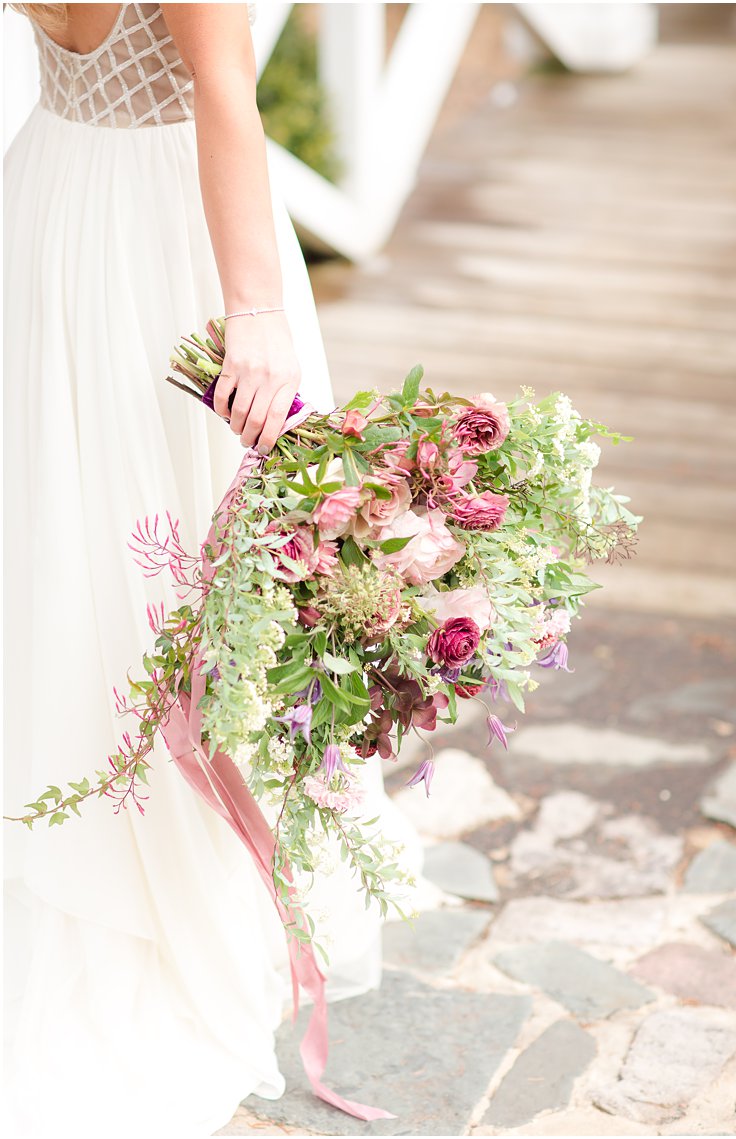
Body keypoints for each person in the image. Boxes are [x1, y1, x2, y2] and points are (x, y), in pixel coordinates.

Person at [2, 5, 418, 1132]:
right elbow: (224, 96)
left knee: (89, 542)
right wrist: (257, 310)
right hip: (165, 231)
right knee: (180, 550)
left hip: (48, 193)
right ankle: (164, 893)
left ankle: (127, 845)